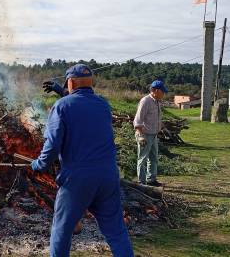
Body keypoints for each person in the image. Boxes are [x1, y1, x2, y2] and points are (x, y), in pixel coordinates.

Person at [32, 64, 134, 257]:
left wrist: (39, 165)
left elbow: (52, 146)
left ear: (70, 82)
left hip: (78, 179)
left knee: (61, 230)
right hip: (108, 176)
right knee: (116, 231)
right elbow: (81, 104)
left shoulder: (61, 107)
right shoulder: (103, 104)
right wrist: (61, 91)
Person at [133, 80, 168, 186]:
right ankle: (141, 182)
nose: (164, 94)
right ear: (156, 91)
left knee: (153, 158)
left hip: (153, 134)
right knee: (142, 158)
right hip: (145, 135)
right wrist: (140, 136)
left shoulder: (157, 101)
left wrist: (162, 128)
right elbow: (138, 119)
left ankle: (151, 180)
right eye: (163, 91)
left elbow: (156, 118)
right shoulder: (145, 101)